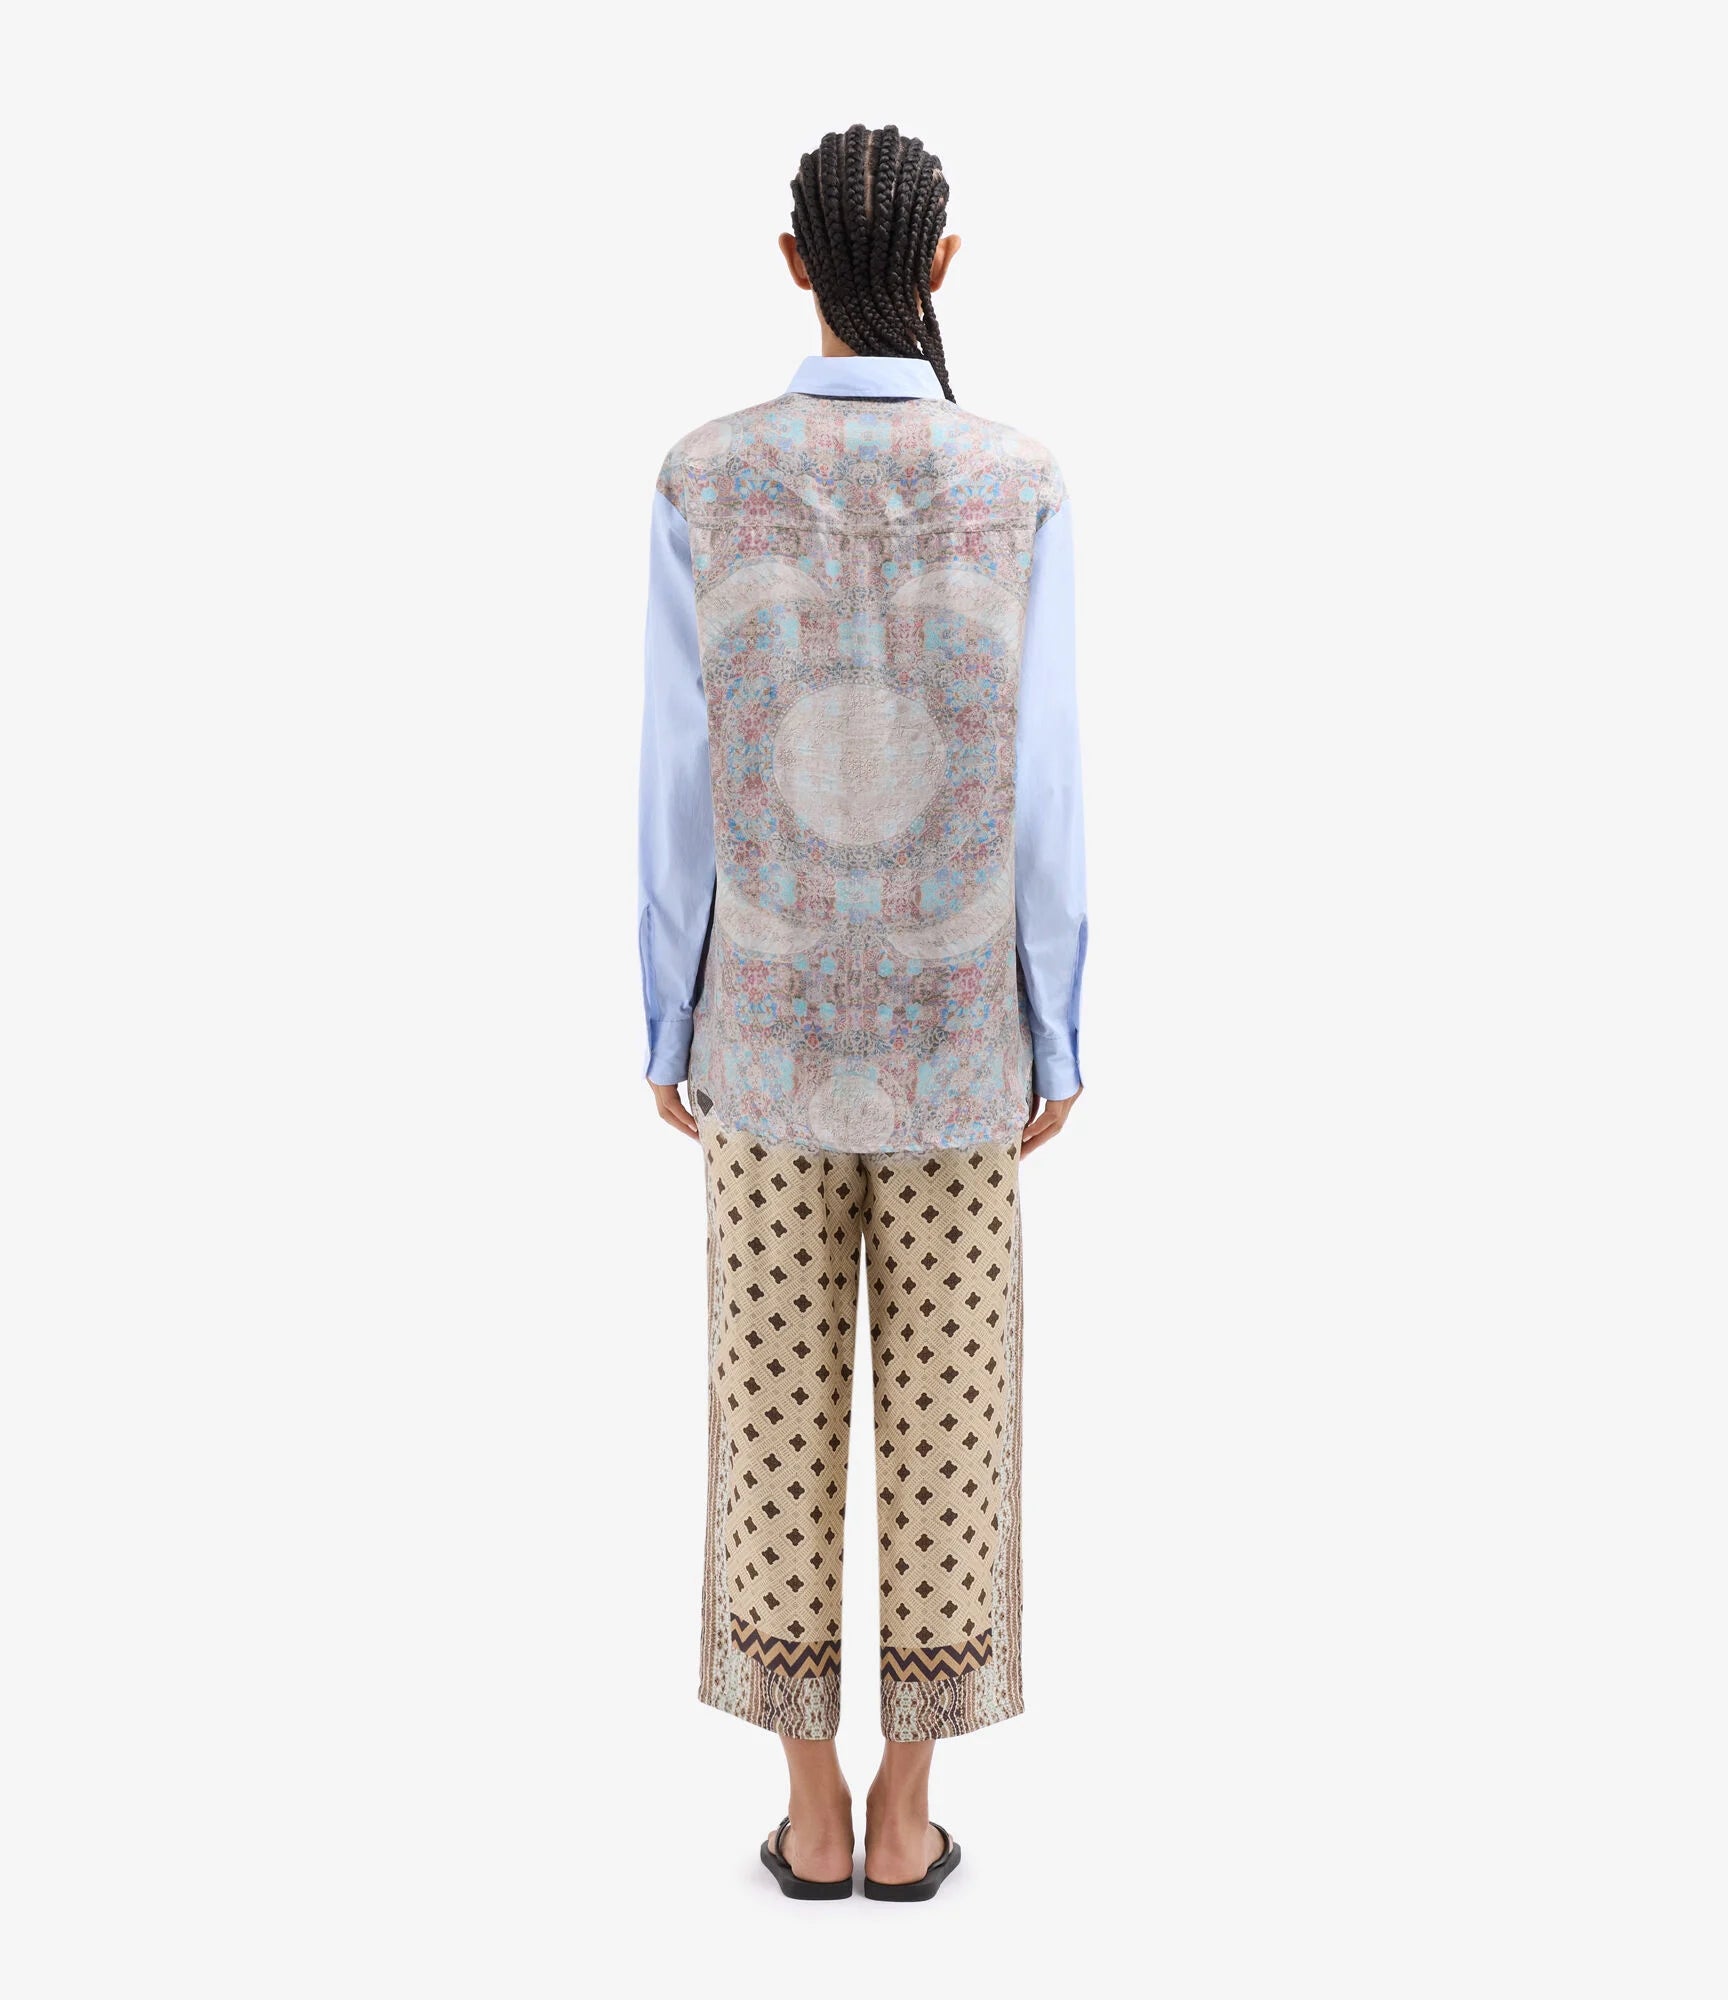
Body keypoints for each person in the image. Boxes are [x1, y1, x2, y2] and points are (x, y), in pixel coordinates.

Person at [636, 124, 1087, 1902]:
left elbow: (678, 782)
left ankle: (808, 1813)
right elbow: (1048, 792)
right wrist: (1059, 1020)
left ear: (792, 263)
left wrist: (665, 1013)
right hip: (960, 1046)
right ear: (946, 265)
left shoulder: (703, 477)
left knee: (769, 1416)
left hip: (763, 1040)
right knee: (952, 1423)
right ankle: (909, 1817)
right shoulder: (1018, 482)